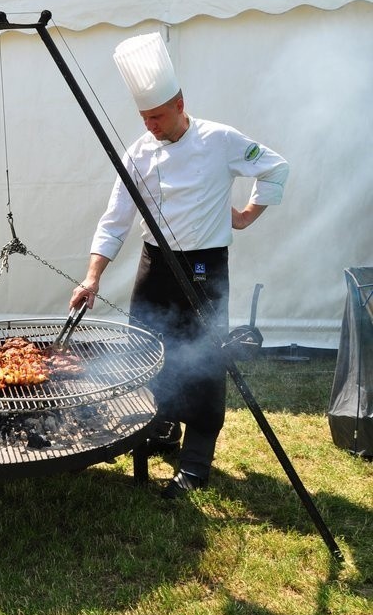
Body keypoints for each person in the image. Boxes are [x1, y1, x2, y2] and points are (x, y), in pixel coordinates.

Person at [69, 33, 289, 499]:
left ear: (180, 104)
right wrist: (92, 276)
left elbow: (276, 168)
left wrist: (248, 215)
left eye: (157, 116)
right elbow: (115, 220)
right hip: (156, 265)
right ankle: (160, 428)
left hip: (205, 268)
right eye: (144, 118)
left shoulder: (221, 140)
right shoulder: (139, 153)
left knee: (207, 362)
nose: (150, 126)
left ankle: (194, 465)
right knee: (148, 350)